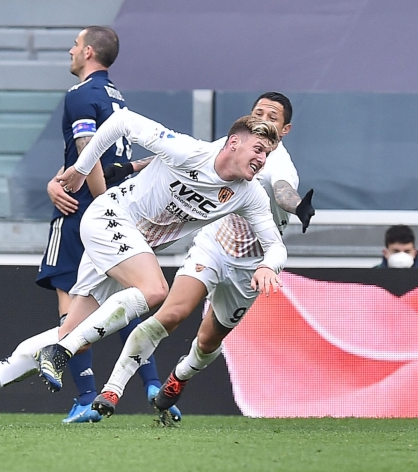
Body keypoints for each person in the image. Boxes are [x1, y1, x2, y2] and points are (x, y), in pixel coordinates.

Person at [0, 111, 286, 427]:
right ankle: (60, 353)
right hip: (110, 219)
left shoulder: (249, 194)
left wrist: (269, 265)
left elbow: (275, 244)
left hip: (128, 247)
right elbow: (122, 121)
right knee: (155, 290)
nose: (261, 159)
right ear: (233, 143)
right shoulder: (188, 151)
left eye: (267, 154)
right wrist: (82, 169)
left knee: (74, 333)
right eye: (258, 149)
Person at [86, 92, 315, 420]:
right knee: (172, 313)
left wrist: (299, 207)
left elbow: (282, 190)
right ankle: (113, 389)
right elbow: (192, 160)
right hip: (215, 244)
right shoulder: (237, 142)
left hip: (251, 266)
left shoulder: (278, 163)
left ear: (286, 129)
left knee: (208, 341)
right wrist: (132, 166)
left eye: (273, 117)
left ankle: (180, 376)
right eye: (258, 112)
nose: (264, 119)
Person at [19, 25, 173, 424]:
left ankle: (86, 395)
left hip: (82, 213)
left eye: (74, 44)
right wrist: (63, 177)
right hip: (120, 214)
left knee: (72, 306)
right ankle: (153, 385)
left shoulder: (79, 95)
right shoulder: (115, 98)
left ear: (88, 52)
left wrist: (100, 202)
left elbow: (88, 151)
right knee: (128, 301)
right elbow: (99, 155)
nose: (70, 50)